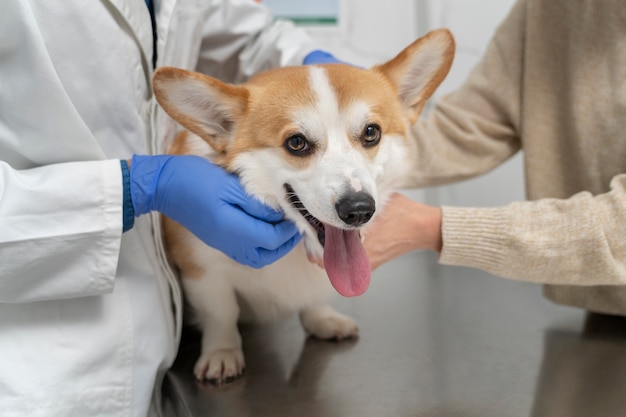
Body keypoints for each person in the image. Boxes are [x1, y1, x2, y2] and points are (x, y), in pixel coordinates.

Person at [0, 1, 343, 416]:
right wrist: (132, 190)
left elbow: (233, 31)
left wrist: (318, 65)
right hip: (35, 360)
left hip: (164, 337)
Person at [364, 0, 626, 316]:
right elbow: (470, 127)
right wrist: (353, 148)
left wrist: (431, 228)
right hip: (603, 315)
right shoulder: (548, 8)